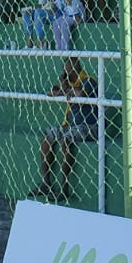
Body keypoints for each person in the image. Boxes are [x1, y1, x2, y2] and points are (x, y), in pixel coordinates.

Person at [29, 58, 99, 202]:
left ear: (75, 69)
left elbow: (81, 94)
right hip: (70, 125)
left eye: (67, 70)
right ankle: (46, 183)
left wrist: (66, 88)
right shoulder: (70, 84)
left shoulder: (88, 80)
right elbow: (51, 92)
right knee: (47, 136)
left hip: (89, 126)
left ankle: (64, 188)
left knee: (65, 140)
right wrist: (61, 88)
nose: (65, 73)